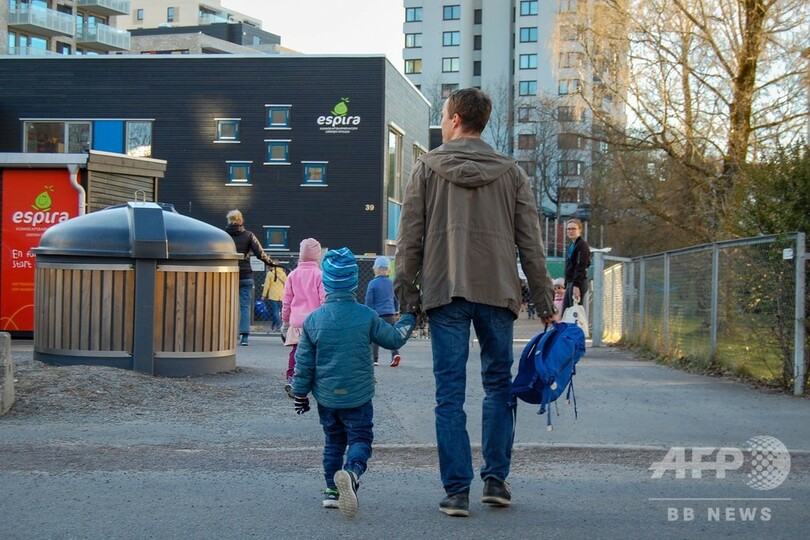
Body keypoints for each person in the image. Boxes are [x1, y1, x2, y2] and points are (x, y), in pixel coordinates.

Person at [394, 88, 556, 518]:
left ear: (455, 119)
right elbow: (531, 246)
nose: (443, 122)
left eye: (445, 115)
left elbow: (409, 240)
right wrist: (544, 302)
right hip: (497, 292)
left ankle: (456, 492)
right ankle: (496, 482)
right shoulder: (512, 173)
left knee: (449, 393)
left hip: (444, 292)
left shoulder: (425, 169)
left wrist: (406, 298)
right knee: (498, 387)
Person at [291, 247, 416, 519]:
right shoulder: (366, 316)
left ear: (326, 282)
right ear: (353, 283)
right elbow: (394, 339)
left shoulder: (313, 320)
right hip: (358, 395)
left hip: (326, 397)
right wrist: (409, 317)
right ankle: (352, 472)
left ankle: (331, 492)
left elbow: (304, 363)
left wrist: (300, 394)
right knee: (360, 439)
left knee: (333, 442)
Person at [224, 209, 277, 347]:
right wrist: (271, 263)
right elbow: (260, 253)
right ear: (241, 220)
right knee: (245, 306)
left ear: (229, 221)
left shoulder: (223, 236)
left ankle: (226, 334)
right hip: (246, 274)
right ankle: (244, 337)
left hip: (228, 274)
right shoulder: (248, 235)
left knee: (226, 304)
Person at [281, 238, 325, 398]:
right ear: (317, 256)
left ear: (301, 255)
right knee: (316, 353)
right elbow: (324, 300)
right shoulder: (319, 275)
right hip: (315, 322)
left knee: (296, 352)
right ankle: (316, 383)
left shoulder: (292, 275)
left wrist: (285, 321)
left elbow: (286, 301)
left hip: (296, 322)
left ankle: (292, 378)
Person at [365, 256, 402, 367]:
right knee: (390, 336)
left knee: (375, 336)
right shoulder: (392, 283)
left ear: (375, 269)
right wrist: (396, 311)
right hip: (390, 314)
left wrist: (368, 312)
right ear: (389, 270)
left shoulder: (372, 283)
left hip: (377, 314)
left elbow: (369, 301)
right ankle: (395, 354)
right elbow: (396, 299)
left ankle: (375, 359)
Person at [563, 218, 591, 310]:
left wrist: (576, 285)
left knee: (575, 313)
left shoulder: (582, 245)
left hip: (578, 282)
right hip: (570, 282)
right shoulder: (572, 245)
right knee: (567, 311)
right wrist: (566, 282)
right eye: (568, 229)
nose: (570, 231)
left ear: (580, 230)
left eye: (573, 229)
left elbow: (581, 266)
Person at [261, 265, 287, 331]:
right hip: (281, 294)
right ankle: (273, 325)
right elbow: (286, 284)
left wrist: (264, 295)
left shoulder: (270, 274)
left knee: (275, 311)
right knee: (280, 311)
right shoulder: (283, 273)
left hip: (273, 295)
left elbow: (267, 285)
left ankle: (278, 324)